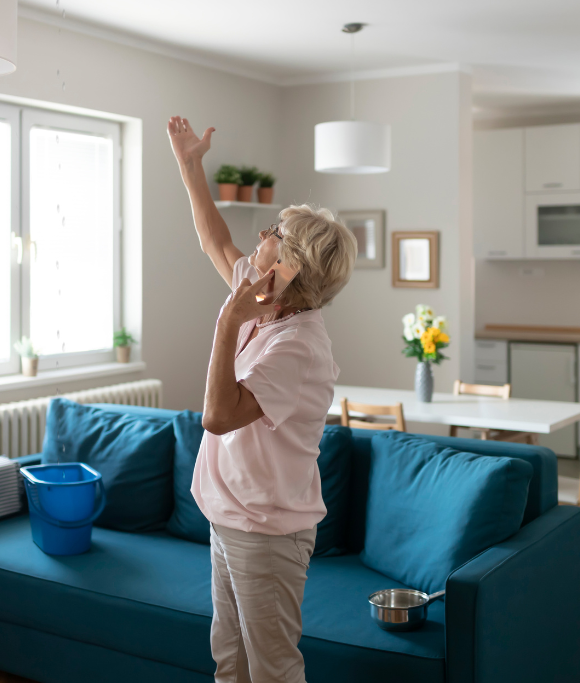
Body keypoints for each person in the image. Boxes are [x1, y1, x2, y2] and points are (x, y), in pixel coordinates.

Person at [167, 115, 357, 683]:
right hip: (229, 517)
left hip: (267, 531)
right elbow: (214, 238)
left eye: (272, 233)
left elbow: (218, 417)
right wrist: (190, 164)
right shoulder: (264, 300)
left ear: (290, 266)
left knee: (272, 671)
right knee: (230, 662)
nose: (259, 238)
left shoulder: (298, 347)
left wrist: (228, 321)